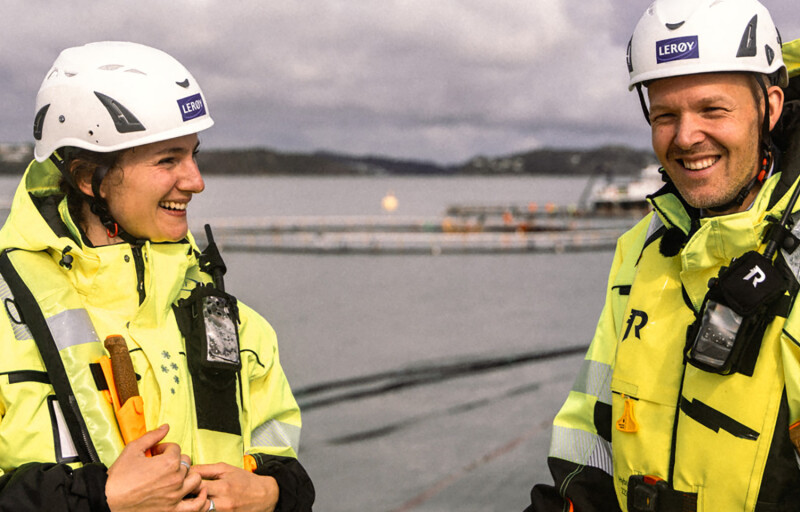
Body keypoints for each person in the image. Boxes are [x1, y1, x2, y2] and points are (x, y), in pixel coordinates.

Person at [0, 41, 314, 511]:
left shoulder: (234, 324)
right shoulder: (6, 319)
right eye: (168, 160)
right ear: (88, 178)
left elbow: (280, 457)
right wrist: (102, 499)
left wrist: (272, 493)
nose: (195, 181)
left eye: (193, 155)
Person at [524, 0, 800, 510]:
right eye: (665, 115)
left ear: (771, 106)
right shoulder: (643, 246)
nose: (687, 137)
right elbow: (592, 441)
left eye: (712, 110)